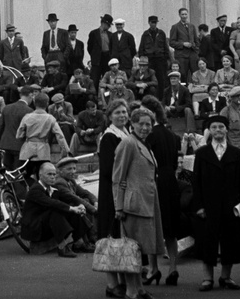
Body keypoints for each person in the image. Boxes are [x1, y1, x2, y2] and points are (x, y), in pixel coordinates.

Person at [191, 114, 240, 291]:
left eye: (221, 127)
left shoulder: (235, 153)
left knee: (230, 240)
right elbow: (196, 181)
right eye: (214, 127)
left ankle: (226, 277)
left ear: (226, 129)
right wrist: (199, 206)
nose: (217, 130)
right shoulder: (202, 153)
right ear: (209, 131)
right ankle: (207, 279)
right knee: (207, 241)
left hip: (231, 204)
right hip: (208, 204)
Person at [109, 107, 165, 299]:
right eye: (141, 123)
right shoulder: (128, 143)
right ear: (132, 124)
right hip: (133, 206)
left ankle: (139, 288)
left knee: (139, 250)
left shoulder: (142, 143)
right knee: (132, 251)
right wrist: (119, 206)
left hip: (147, 204)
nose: (145, 127)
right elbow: (118, 177)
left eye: (148, 124)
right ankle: (131, 291)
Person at [140, 96, 181, 285]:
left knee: (152, 226)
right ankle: (173, 268)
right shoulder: (171, 135)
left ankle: (153, 269)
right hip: (170, 181)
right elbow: (174, 163)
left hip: (154, 181)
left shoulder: (149, 136)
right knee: (170, 228)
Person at [21, 162, 89, 257]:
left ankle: (80, 243)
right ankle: (63, 247)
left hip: (46, 223)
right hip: (34, 228)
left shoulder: (53, 188)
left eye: (54, 174)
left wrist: (79, 206)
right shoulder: (35, 189)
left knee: (71, 210)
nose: (53, 177)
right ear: (40, 175)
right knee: (55, 211)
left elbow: (67, 199)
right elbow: (51, 203)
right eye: (49, 174)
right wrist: (72, 208)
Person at [97, 99, 130, 243]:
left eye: (124, 112)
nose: (122, 115)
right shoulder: (109, 137)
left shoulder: (126, 134)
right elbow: (108, 168)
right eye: (117, 113)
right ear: (110, 116)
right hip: (112, 189)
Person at [16, 93, 69, 170]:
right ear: (47, 104)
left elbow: (19, 135)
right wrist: (66, 150)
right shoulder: (50, 118)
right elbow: (60, 136)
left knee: (26, 174)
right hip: (43, 151)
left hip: (27, 150)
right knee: (43, 174)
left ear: (34, 102)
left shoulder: (27, 117)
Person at [0, 85, 34, 169]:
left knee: (7, 171)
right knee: (18, 172)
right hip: (20, 146)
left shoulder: (7, 108)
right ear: (30, 95)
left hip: (6, 144)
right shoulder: (29, 111)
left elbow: (0, 127)